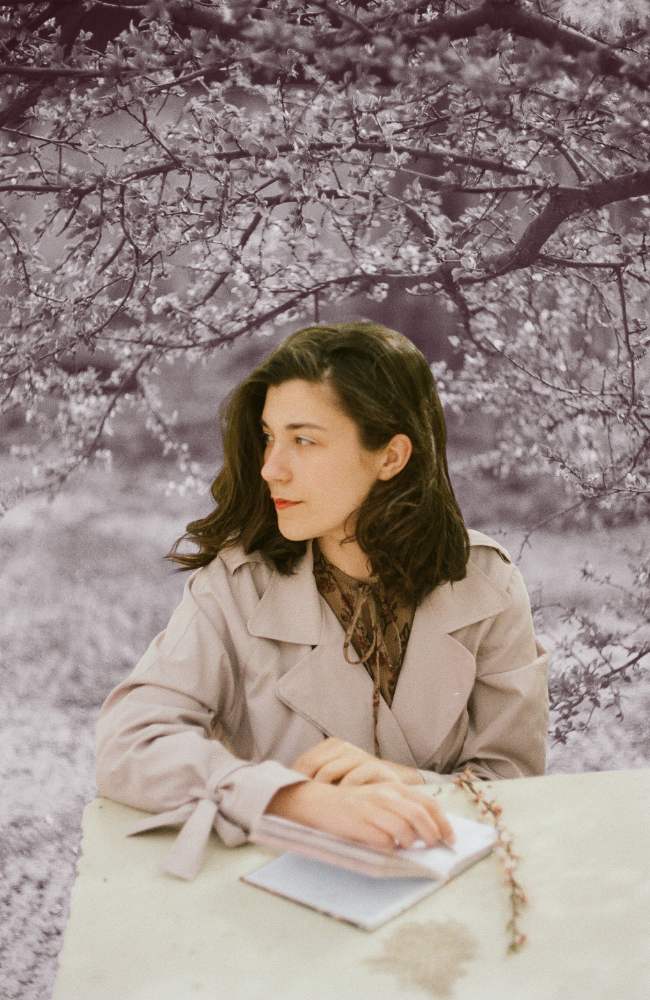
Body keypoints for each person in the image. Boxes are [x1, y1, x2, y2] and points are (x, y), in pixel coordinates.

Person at [95, 322, 548, 880]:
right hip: (278, 884)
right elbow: (130, 741)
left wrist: (405, 783)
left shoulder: (488, 585)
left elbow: (517, 783)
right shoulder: (235, 586)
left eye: (303, 439)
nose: (270, 468)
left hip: (444, 882)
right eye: (268, 436)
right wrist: (294, 797)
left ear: (390, 456)